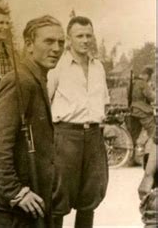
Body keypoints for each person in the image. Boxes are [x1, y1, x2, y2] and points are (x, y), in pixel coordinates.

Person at [0, 15, 65, 228]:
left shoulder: (37, 78)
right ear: (29, 45)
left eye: (61, 42)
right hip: (18, 205)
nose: (56, 48)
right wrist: (15, 192)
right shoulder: (20, 81)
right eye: (48, 41)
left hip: (34, 197)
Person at [48, 16, 110, 228]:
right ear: (69, 39)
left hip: (93, 137)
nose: (85, 40)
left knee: (89, 198)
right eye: (79, 36)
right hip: (65, 137)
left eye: (88, 36)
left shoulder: (98, 67)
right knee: (59, 197)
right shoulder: (57, 66)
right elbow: (44, 102)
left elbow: (104, 102)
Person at [130, 66, 156, 142]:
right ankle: (152, 150)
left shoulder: (133, 82)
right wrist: (152, 91)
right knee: (152, 128)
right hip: (141, 110)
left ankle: (132, 151)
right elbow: (151, 97)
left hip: (132, 110)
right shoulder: (143, 83)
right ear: (147, 75)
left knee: (134, 134)